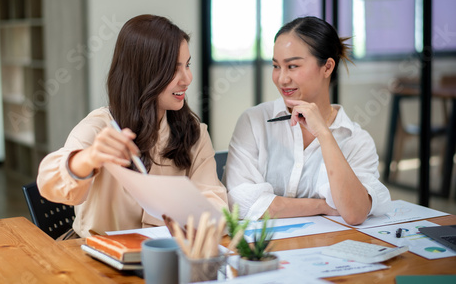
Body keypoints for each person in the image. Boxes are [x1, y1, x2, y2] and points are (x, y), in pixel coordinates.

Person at [38, 14, 228, 238]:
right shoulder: (98, 129)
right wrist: (88, 158)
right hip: (95, 256)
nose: (187, 78)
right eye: (174, 69)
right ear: (144, 73)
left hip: (168, 252)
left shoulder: (193, 132)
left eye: (187, 65)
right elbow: (49, 183)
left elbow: (216, 206)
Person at [224, 16, 391, 226]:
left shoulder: (356, 140)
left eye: (292, 66)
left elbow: (355, 212)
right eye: (276, 66)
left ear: (327, 67)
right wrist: (322, 206)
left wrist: (324, 134)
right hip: (264, 252)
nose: (282, 78)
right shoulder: (254, 121)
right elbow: (239, 200)